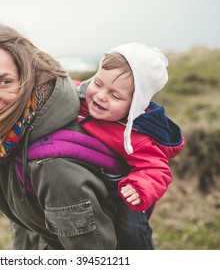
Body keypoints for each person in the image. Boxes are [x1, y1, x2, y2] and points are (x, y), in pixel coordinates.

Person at [0, 24, 123, 250]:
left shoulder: (53, 167)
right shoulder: (1, 140)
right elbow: (28, 228)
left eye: (5, 81)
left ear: (29, 81)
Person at [76, 42, 185, 249]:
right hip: (91, 187)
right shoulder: (80, 101)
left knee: (132, 234)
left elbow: (156, 168)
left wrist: (138, 187)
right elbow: (64, 86)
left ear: (135, 104)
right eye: (98, 83)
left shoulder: (136, 135)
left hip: (124, 193)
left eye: (115, 95)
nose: (100, 96)